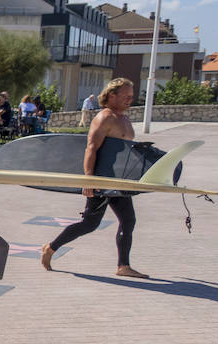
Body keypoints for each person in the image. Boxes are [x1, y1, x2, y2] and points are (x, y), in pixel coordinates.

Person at [41, 78, 148, 278]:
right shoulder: (105, 117)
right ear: (112, 96)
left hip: (118, 180)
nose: (130, 100)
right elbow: (91, 148)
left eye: (132, 97)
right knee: (90, 224)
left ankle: (123, 266)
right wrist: (88, 179)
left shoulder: (123, 118)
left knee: (128, 220)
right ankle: (50, 248)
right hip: (101, 179)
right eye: (126, 96)